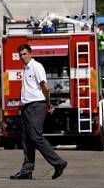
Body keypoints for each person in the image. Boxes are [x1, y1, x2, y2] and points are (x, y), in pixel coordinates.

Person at [10, 44, 68, 180]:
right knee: (26, 139)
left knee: (35, 136)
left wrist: (48, 104)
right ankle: (26, 171)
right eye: (20, 55)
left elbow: (45, 87)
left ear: (30, 54)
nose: (22, 57)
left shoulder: (37, 67)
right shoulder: (25, 68)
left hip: (37, 106)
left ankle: (58, 163)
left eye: (25, 54)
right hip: (26, 107)